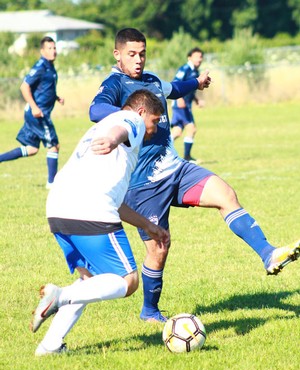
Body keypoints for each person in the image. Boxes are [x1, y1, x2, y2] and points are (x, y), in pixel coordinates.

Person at [89, 28, 300, 323]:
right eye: (131, 54)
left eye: (142, 54)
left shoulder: (151, 81)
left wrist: (197, 82)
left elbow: (174, 88)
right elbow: (95, 109)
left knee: (226, 195)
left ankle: (268, 254)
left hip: (177, 170)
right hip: (142, 186)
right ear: (118, 54)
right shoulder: (114, 84)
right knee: (160, 248)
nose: (138, 60)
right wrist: (127, 116)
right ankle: (150, 311)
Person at [30, 89, 170, 356]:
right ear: (142, 112)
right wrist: (113, 140)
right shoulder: (131, 120)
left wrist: (148, 225)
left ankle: (50, 347)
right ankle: (59, 297)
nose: (153, 129)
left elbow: (116, 202)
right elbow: (124, 128)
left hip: (58, 207)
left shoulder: (99, 131)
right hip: (89, 208)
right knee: (127, 281)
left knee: (90, 281)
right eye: (154, 121)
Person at [0, 36, 64, 189]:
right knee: (54, 146)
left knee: (32, 149)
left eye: (54, 48)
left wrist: (55, 97)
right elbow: (24, 86)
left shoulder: (50, 66)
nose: (53, 51)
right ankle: (51, 184)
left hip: (37, 112)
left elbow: (43, 88)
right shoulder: (40, 66)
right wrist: (35, 107)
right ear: (42, 51)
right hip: (38, 114)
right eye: (49, 48)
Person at [171, 47, 204, 162]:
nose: (199, 59)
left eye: (201, 57)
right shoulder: (184, 69)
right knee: (192, 129)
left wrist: (196, 100)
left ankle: (161, 149)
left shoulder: (196, 71)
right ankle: (187, 157)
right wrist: (179, 98)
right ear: (189, 57)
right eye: (196, 57)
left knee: (177, 132)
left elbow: (191, 88)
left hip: (186, 105)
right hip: (180, 105)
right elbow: (175, 83)